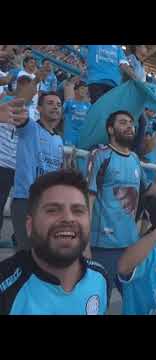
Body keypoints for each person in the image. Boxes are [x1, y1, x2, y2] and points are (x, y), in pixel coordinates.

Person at [86, 110, 156, 294]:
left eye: (131, 122)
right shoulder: (100, 155)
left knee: (137, 299)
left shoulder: (135, 159)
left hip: (130, 243)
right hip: (103, 247)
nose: (129, 126)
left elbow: (147, 189)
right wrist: (84, 243)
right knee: (97, 301)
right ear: (111, 130)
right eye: (122, 122)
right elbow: (88, 200)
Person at [0, 170, 110, 315]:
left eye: (78, 210)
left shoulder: (100, 278)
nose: (68, 218)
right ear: (29, 226)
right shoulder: (5, 290)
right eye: (53, 210)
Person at [0, 92, 63, 252]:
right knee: (27, 255)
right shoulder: (30, 128)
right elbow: (23, 121)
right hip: (25, 202)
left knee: (44, 255)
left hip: (47, 203)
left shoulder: (59, 140)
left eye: (58, 104)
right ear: (39, 108)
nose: (55, 106)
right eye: (50, 103)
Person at [0, 76, 38, 241]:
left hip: (15, 166)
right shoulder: (5, 102)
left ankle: (19, 237)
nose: (33, 92)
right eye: (30, 87)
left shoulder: (33, 112)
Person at [63, 76, 91, 147]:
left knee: (80, 155)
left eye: (86, 90)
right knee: (67, 155)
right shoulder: (69, 103)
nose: (84, 91)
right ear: (75, 90)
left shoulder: (88, 106)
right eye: (82, 89)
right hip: (70, 135)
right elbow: (59, 114)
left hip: (82, 135)